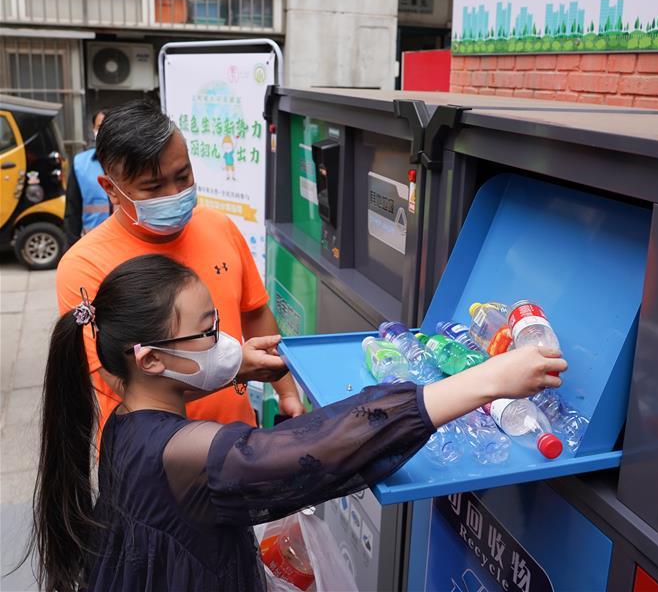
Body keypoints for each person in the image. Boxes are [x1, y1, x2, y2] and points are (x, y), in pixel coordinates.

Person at [32, 254, 566, 592]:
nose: (224, 341)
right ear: (150, 358)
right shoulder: (187, 456)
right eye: (208, 331)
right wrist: (489, 379)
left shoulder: (125, 421)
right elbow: (324, 445)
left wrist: (229, 367)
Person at [56, 100, 304, 435]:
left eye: (183, 176)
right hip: (151, 453)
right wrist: (234, 369)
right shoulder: (84, 266)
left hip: (237, 438)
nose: (175, 193)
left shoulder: (219, 227)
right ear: (111, 189)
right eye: (153, 187)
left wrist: (286, 391)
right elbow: (119, 385)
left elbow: (254, 312)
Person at [63, 110, 110, 246]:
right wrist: (72, 245)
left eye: (108, 126)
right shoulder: (80, 163)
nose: (103, 131)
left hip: (126, 243)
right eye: (99, 127)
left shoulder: (131, 161)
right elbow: (73, 210)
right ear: (93, 129)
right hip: (94, 243)